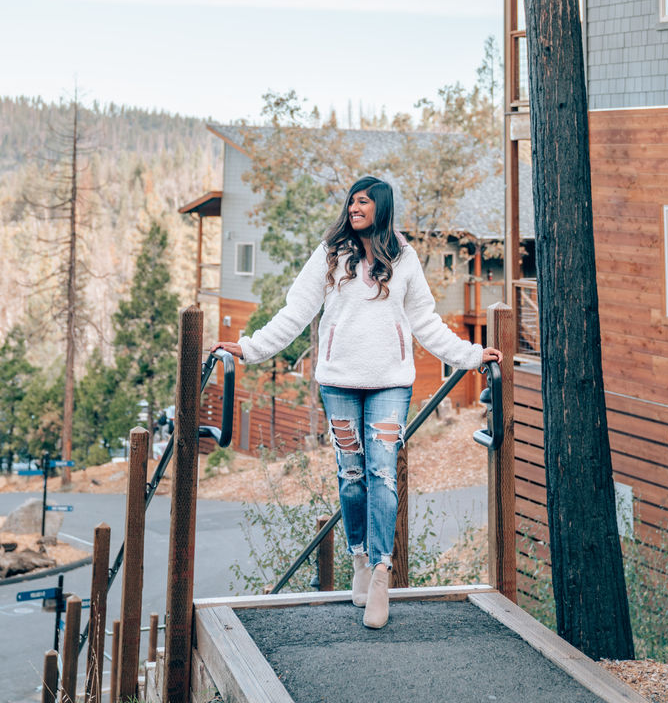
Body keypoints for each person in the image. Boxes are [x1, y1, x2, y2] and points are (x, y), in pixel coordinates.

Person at [213, 175, 502, 629]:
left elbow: (425, 321)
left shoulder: (404, 259)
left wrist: (469, 355)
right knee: (351, 474)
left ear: (381, 208)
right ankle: (360, 560)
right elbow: (296, 311)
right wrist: (249, 349)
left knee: (382, 472)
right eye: (351, 200)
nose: (354, 207)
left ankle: (382, 571)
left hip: (390, 384)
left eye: (364, 201)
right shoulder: (330, 254)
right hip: (339, 382)